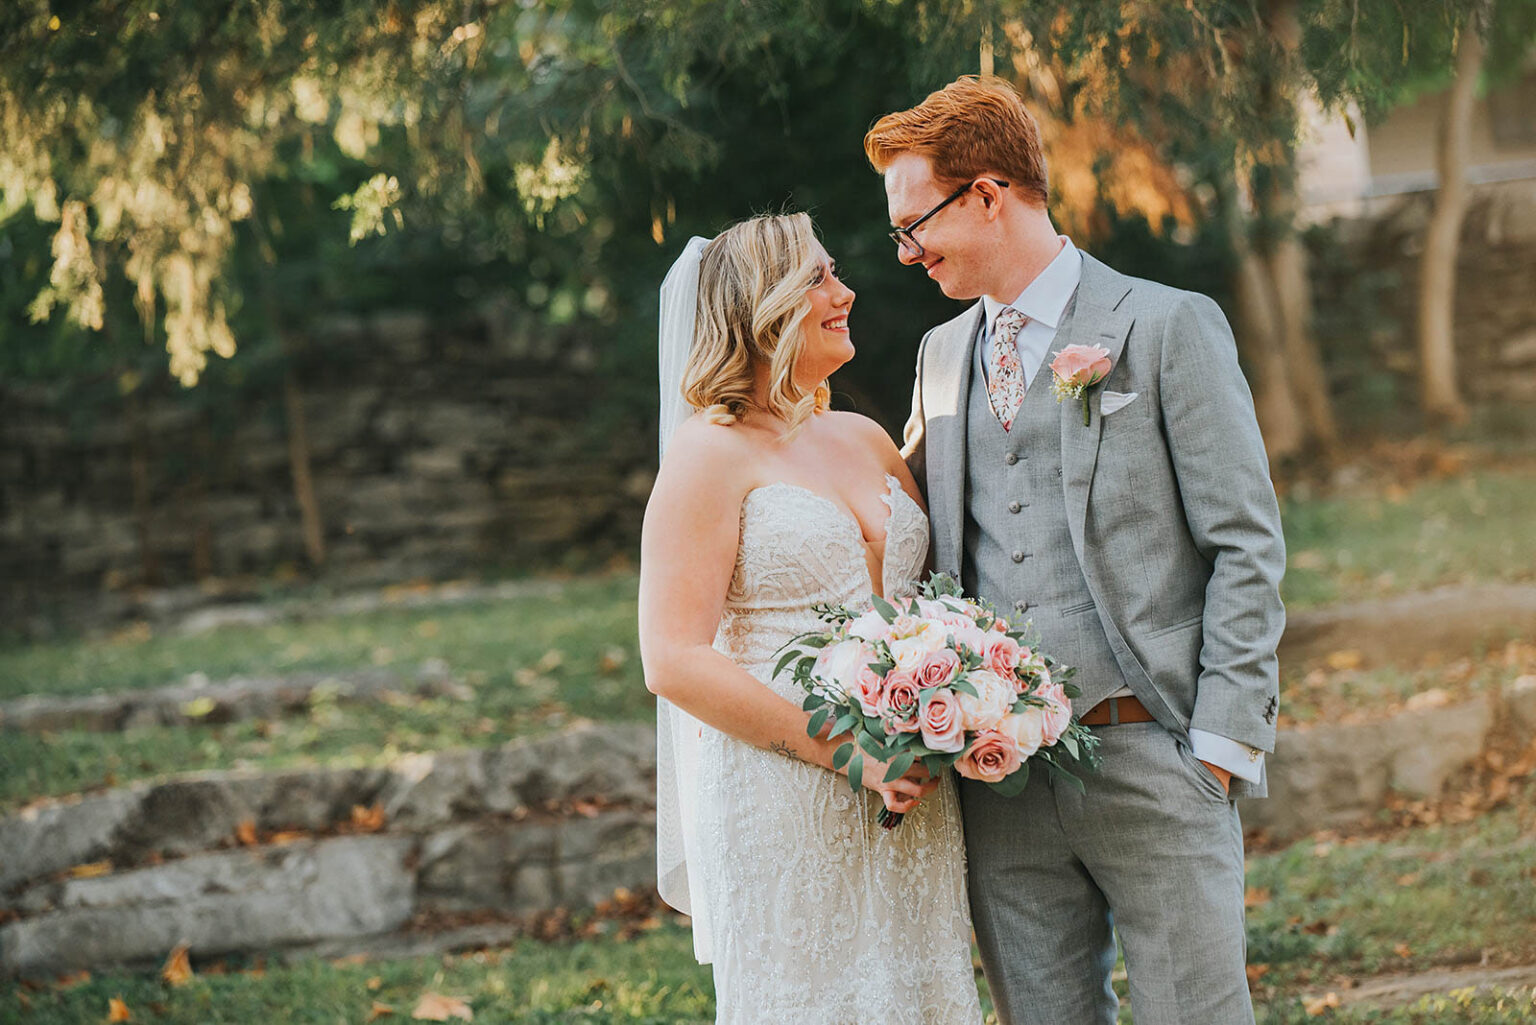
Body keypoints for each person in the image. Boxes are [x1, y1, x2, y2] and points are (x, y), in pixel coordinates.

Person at [865, 76, 1287, 1025]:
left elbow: (1246, 546)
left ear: (987, 195)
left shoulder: (1169, 325)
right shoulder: (938, 354)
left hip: (1156, 750)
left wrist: (1217, 745)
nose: (906, 252)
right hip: (1002, 785)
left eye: (914, 224)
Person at [637, 212, 985, 1025]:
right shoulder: (707, 453)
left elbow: (935, 602)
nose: (846, 290)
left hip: (911, 782)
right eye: (820, 278)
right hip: (784, 788)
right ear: (764, 305)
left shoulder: (866, 439)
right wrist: (850, 753)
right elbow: (674, 657)